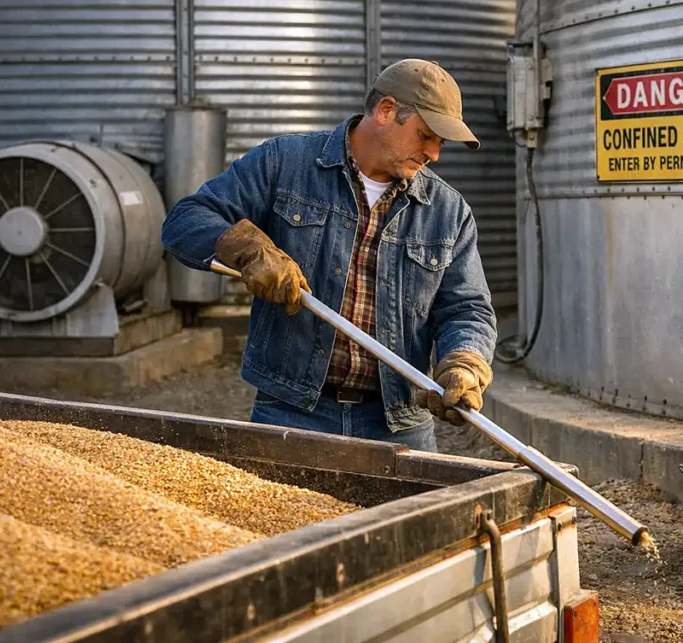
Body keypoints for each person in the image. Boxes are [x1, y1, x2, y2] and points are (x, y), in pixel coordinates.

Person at [161, 59, 498, 452]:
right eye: (426, 136)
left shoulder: (447, 211)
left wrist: (465, 362)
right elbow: (184, 221)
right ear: (386, 111)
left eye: (440, 143)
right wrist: (249, 248)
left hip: (399, 424)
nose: (434, 154)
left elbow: (468, 308)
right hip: (291, 411)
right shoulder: (284, 164)